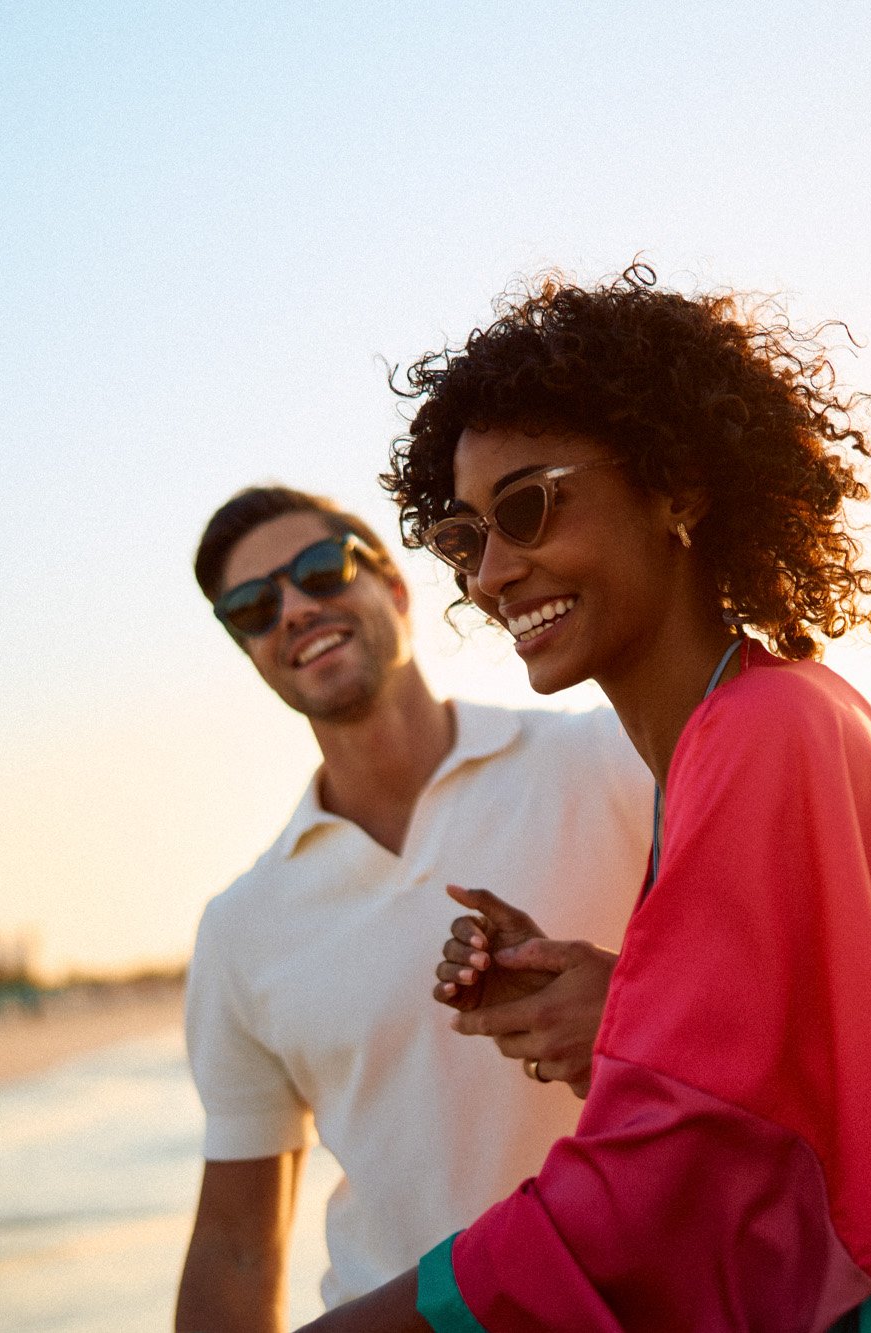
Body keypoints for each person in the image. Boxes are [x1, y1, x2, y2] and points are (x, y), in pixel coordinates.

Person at [300, 268, 871, 1331]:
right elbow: (799, 1101)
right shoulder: (754, 722)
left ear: (675, 486)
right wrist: (622, 1010)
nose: (493, 573)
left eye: (528, 507)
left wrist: (364, 1323)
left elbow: (657, 1192)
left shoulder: (760, 737)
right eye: (463, 539)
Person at [175, 486, 652, 1332]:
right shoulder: (242, 925)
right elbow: (239, 1241)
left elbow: (780, 997)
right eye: (252, 607)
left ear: (394, 586)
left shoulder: (608, 758)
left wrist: (615, 1007)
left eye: (319, 570)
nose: (292, 609)